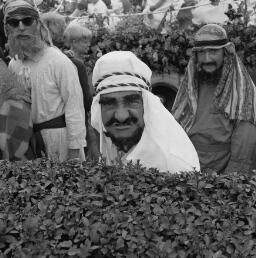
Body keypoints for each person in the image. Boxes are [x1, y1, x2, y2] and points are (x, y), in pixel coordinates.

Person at [3, 0, 86, 162]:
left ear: (37, 24)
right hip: (27, 146)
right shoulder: (14, 64)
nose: (21, 27)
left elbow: (74, 107)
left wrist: (75, 150)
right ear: (8, 29)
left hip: (59, 142)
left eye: (27, 21)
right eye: (14, 22)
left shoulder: (58, 61)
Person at [90, 51, 200, 173]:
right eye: (109, 103)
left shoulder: (172, 167)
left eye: (131, 101)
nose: (121, 116)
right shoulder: (111, 147)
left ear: (147, 106)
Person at [172, 24, 256, 173]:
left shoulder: (242, 89)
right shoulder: (192, 84)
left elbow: (245, 142)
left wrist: (230, 180)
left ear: (225, 52)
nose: (206, 59)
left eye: (213, 51)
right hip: (186, 165)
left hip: (221, 173)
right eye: (202, 53)